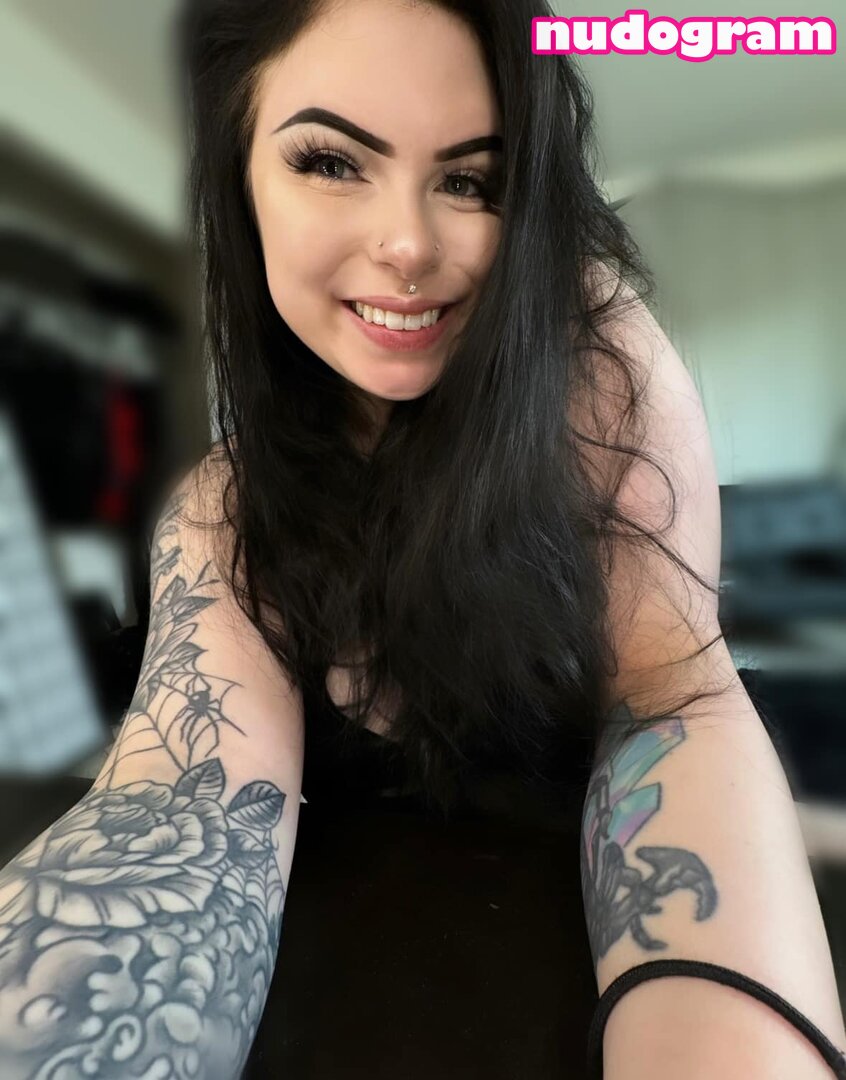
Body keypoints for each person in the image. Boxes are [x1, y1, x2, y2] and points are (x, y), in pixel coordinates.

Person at [1, 1, 845, 1077]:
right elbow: (180, 798)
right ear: (239, 178)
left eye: (471, 180)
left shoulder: (600, 380)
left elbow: (672, 698)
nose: (408, 245)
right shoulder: (225, 508)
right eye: (330, 162)